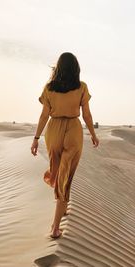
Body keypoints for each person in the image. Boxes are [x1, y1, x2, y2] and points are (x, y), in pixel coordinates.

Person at [30, 52, 99, 239]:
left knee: (58, 171)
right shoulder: (81, 87)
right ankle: (55, 226)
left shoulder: (49, 88)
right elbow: (87, 116)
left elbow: (44, 115)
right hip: (73, 130)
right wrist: (93, 134)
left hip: (53, 130)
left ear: (58, 68)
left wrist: (36, 138)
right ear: (76, 68)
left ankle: (61, 207)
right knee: (65, 173)